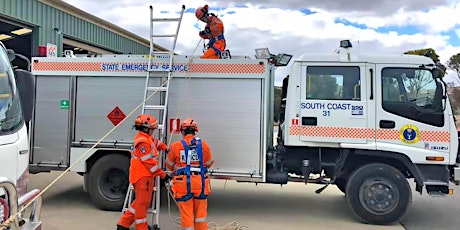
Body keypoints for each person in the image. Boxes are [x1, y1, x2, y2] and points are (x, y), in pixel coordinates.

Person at [117, 114, 168, 230]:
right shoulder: (143, 142)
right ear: (147, 128)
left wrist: (166, 148)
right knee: (142, 204)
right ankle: (142, 227)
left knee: (140, 202)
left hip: (144, 176)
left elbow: (155, 142)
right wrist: (163, 174)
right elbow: (149, 163)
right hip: (142, 176)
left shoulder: (146, 138)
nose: (153, 132)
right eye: (152, 129)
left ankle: (123, 224)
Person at [165, 118, 215, 230]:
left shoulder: (176, 145)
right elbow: (209, 163)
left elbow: (169, 164)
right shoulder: (203, 145)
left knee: (187, 214)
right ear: (195, 131)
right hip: (200, 183)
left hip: (183, 184)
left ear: (182, 131)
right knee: (200, 215)